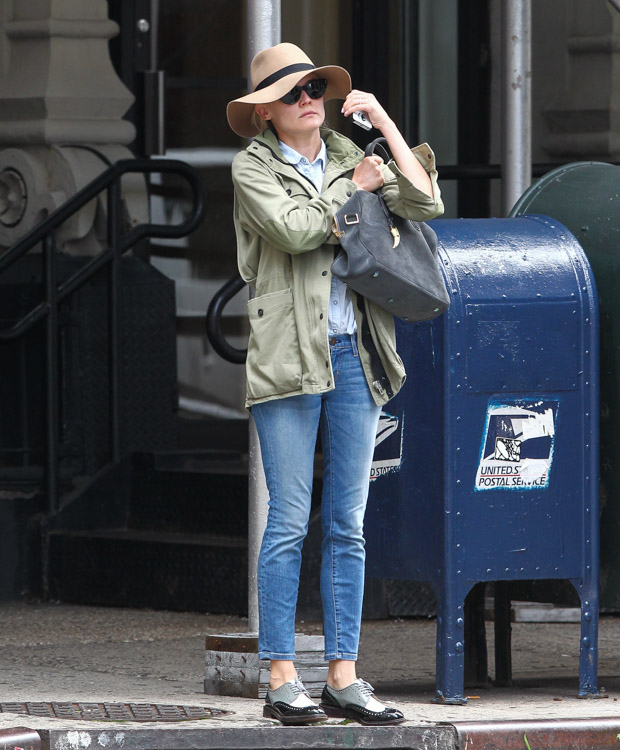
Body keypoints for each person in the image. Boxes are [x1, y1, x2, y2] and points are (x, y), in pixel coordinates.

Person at [226, 43, 444, 726]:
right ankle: (282, 672)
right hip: (289, 356)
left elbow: (426, 199)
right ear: (266, 109)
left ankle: (344, 675)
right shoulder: (251, 167)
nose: (309, 98)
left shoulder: (354, 151)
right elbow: (295, 231)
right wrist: (360, 190)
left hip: (356, 352)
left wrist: (380, 118)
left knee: (348, 523)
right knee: (289, 521)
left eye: (315, 86)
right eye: (292, 92)